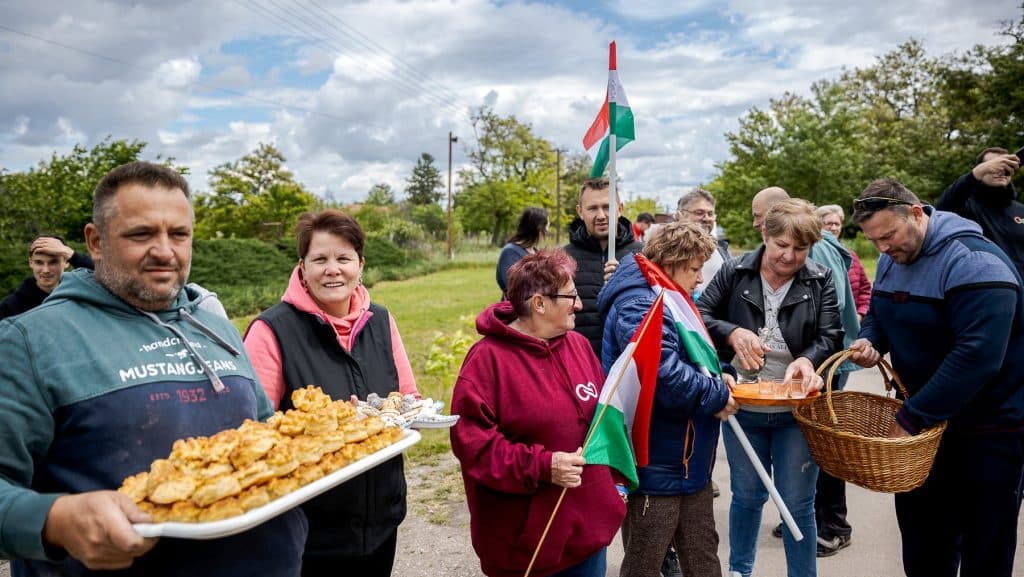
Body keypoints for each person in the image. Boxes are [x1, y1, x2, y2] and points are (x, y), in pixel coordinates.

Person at [0, 161, 307, 576]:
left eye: (179, 234)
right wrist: (54, 519)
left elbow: (269, 434)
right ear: (95, 241)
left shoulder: (217, 327)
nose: (165, 251)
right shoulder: (29, 340)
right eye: (141, 233)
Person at [847, 179, 1024, 577]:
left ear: (916, 213)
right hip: (926, 431)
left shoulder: (976, 262)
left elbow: (977, 357)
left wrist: (909, 420)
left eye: (888, 236)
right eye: (874, 241)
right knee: (925, 542)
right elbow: (879, 312)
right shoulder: (896, 257)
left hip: (989, 430)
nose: (883, 249)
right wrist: (871, 339)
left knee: (986, 546)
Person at [244, 209, 418, 577]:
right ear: (302, 267)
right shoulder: (271, 330)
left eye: (343, 258)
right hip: (311, 530)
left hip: (381, 518)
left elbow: (407, 400)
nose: (332, 269)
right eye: (320, 259)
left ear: (360, 264)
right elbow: (251, 432)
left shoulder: (382, 321)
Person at [450, 249, 626, 577]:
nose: (579, 305)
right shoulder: (486, 361)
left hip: (587, 538)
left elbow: (602, 421)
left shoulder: (578, 345)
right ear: (539, 303)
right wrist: (543, 466)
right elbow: (474, 448)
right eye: (570, 296)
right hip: (525, 548)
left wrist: (615, 485)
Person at [698, 198, 842, 577]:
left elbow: (832, 336)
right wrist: (733, 333)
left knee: (797, 503)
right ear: (765, 233)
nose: (789, 256)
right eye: (782, 245)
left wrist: (808, 359)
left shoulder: (820, 277)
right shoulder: (734, 271)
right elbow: (700, 316)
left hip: (797, 410)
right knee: (746, 497)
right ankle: (739, 572)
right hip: (743, 407)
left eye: (800, 249)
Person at [597, 222, 739, 577]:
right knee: (645, 563)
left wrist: (720, 371)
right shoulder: (640, 300)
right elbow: (661, 374)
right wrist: (716, 394)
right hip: (658, 464)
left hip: (687, 461)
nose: (700, 279)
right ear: (672, 261)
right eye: (694, 269)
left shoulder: (667, 292)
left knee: (703, 560)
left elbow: (694, 354)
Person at [754, 188, 860, 556]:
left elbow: (832, 313)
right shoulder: (791, 249)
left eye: (759, 217)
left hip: (827, 366)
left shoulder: (814, 247)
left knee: (824, 445)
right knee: (803, 446)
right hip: (806, 365)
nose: (755, 224)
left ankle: (833, 523)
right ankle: (802, 515)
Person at [565, 177, 643, 357]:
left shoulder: (645, 255)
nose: (601, 215)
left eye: (607, 207)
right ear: (580, 211)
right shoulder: (562, 260)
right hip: (579, 363)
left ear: (620, 209)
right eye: (592, 208)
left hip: (628, 364)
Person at [935, 147, 1024, 279]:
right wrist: (976, 173)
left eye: (1006, 165)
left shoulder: (1021, 210)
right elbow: (941, 208)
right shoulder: (964, 206)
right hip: (988, 287)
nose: (1001, 170)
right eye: (994, 165)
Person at [0, 235, 94, 319]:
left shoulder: (81, 294)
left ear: (66, 262)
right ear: (31, 263)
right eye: (39, 263)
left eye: (53, 262)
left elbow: (105, 277)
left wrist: (72, 255)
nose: (46, 270)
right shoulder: (10, 306)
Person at [816, 205, 872, 320]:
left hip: (853, 324)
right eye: (829, 224)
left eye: (837, 224)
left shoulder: (851, 255)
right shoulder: (815, 255)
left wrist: (860, 314)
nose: (834, 228)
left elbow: (865, 289)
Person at [675, 188, 731, 299]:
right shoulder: (666, 250)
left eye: (710, 214)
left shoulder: (721, 250)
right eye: (699, 213)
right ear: (680, 214)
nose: (706, 219)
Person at [497, 207, 549, 297]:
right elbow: (514, 290)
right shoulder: (510, 252)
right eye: (546, 227)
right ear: (538, 229)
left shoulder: (535, 252)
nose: (548, 231)